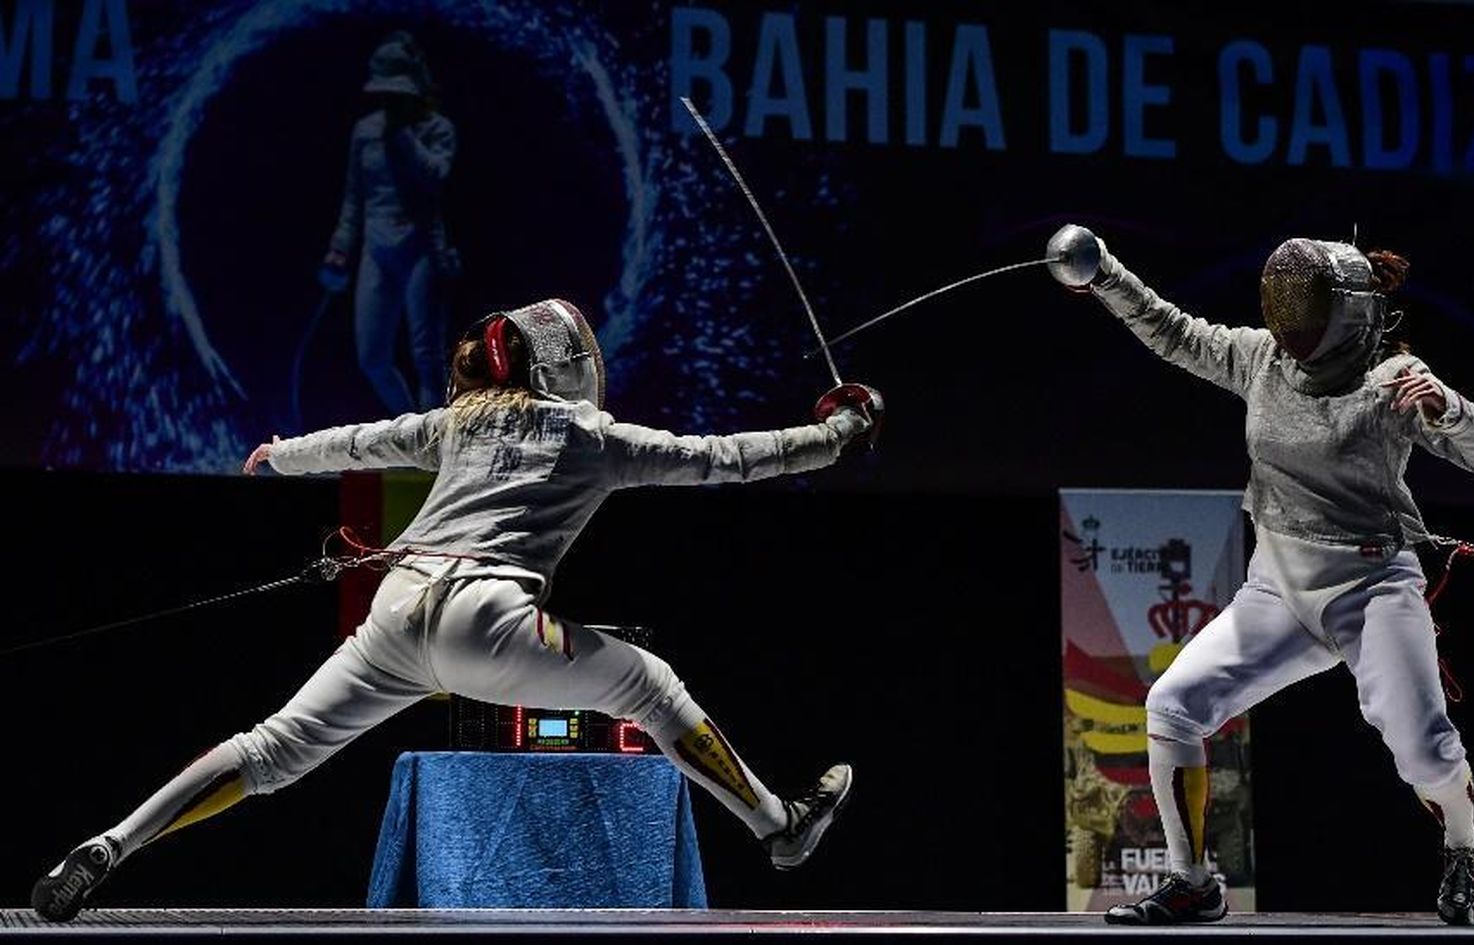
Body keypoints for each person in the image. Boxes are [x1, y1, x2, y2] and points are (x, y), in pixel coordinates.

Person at [32, 298, 881, 922]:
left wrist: (280, 456)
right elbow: (724, 459)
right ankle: (780, 827)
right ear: (567, 365)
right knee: (652, 688)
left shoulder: (460, 426)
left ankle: (110, 842)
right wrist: (835, 436)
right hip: (489, 619)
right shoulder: (592, 435)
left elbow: (363, 440)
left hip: (395, 615)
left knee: (271, 748)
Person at [1045, 226, 1474, 927]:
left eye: (1306, 301)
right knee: (1174, 703)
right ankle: (1193, 881)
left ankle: (1462, 845)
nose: (1289, 316)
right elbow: (1172, 330)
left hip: (1371, 588)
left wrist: (1450, 408)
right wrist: (1105, 274)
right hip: (1278, 589)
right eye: (1286, 300)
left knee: (1422, 743)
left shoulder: (1392, 382)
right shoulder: (1260, 358)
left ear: (1348, 311)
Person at [322, 31, 459, 415]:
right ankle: (411, 429)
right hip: (376, 248)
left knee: (427, 356)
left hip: (423, 249)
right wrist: (340, 248)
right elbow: (354, 197)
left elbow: (436, 178)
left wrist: (403, 137)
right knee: (371, 357)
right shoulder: (364, 131)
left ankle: (436, 442)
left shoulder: (438, 130)